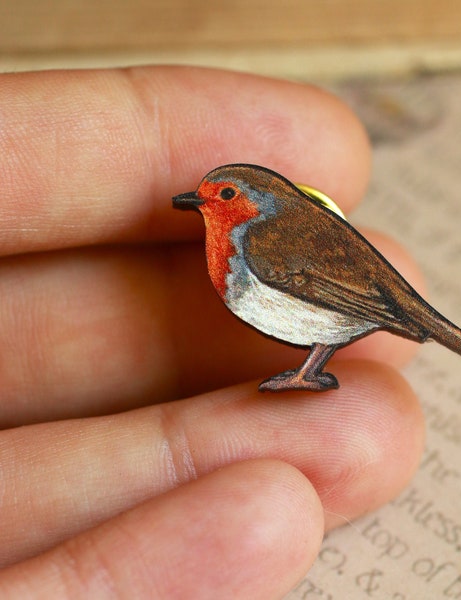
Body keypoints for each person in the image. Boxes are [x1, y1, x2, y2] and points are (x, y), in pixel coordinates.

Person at [0, 66, 425, 599]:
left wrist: (401, 316)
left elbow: (326, 296)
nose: (205, 202)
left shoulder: (259, 241)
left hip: (345, 303)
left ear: (249, 204)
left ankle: (310, 372)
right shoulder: (236, 238)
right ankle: (310, 371)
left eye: (220, 195)